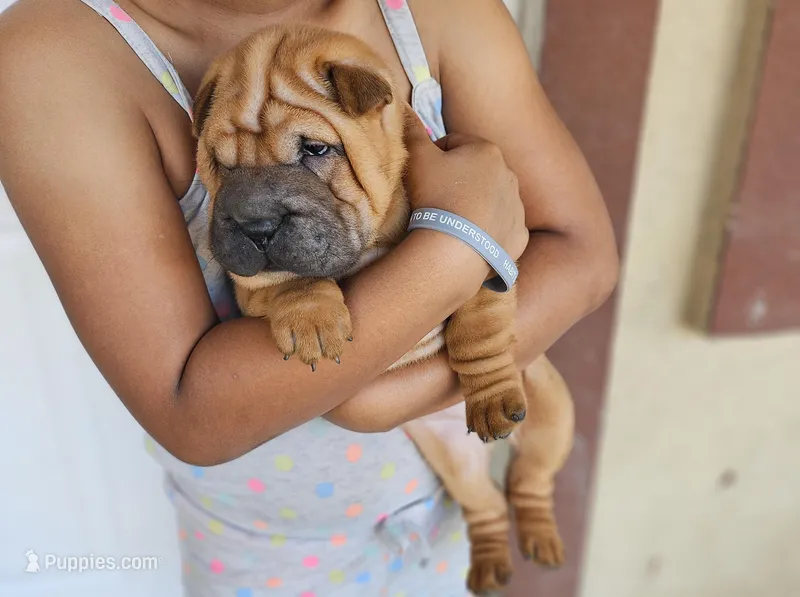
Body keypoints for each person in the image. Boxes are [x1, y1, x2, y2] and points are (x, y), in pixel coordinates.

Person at [0, 0, 618, 595]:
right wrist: (460, 245)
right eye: (225, 165)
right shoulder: (54, 56)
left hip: (438, 521)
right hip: (263, 550)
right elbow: (191, 411)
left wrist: (410, 384)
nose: (262, 213)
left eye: (315, 151)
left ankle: (512, 509)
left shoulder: (435, 14)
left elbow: (582, 255)